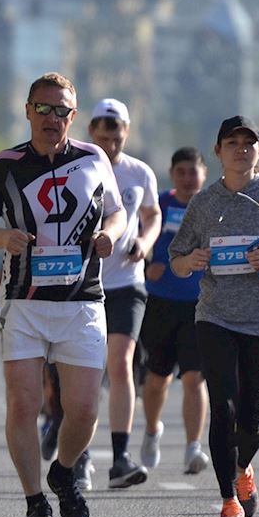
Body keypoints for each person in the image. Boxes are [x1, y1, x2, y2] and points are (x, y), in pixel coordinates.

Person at [0, 72, 125, 517]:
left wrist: (108, 236)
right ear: (29, 111)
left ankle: (64, 469)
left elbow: (116, 213)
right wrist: (2, 238)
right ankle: (36, 500)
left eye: (61, 111)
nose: (52, 118)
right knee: (24, 403)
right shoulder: (7, 163)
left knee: (83, 409)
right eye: (44, 108)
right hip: (24, 302)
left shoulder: (94, 158)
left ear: (72, 117)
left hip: (81, 301)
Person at [169, 115, 259, 517]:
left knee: (251, 419)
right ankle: (228, 500)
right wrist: (188, 262)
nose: (240, 149)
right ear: (218, 152)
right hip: (215, 315)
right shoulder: (203, 202)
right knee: (223, 407)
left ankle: (242, 467)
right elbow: (176, 259)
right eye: (231, 142)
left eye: (248, 143)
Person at [80, 98, 161, 489]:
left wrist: (144, 242)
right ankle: (76, 452)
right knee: (85, 370)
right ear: (91, 131)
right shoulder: (77, 168)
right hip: (83, 283)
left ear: (126, 131)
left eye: (116, 129)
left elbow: (153, 214)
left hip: (128, 282)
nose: (110, 136)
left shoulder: (140, 172)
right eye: (102, 128)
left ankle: (120, 457)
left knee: (121, 362)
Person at [141, 147, 211, 476]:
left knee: (195, 378)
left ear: (204, 173)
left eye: (192, 171)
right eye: (181, 171)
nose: (187, 178)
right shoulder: (160, 204)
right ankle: (153, 429)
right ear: (172, 174)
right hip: (160, 303)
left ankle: (193, 447)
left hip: (200, 305)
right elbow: (137, 238)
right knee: (157, 379)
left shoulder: (213, 207)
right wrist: (145, 265)